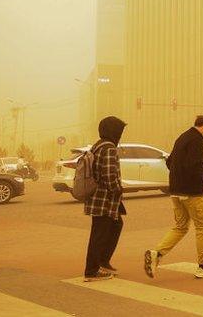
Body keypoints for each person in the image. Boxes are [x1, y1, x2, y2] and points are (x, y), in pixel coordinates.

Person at [144, 116, 203, 280]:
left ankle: (157, 253)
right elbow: (197, 165)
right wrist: (202, 179)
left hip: (176, 192)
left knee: (180, 227)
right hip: (192, 193)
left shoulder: (182, 137)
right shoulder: (196, 141)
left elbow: (169, 162)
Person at [83, 116, 127, 282]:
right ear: (113, 131)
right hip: (105, 199)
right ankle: (91, 271)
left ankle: (102, 262)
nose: (121, 135)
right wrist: (117, 190)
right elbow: (109, 175)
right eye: (119, 131)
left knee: (114, 226)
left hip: (98, 197)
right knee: (100, 234)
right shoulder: (109, 147)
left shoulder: (98, 145)